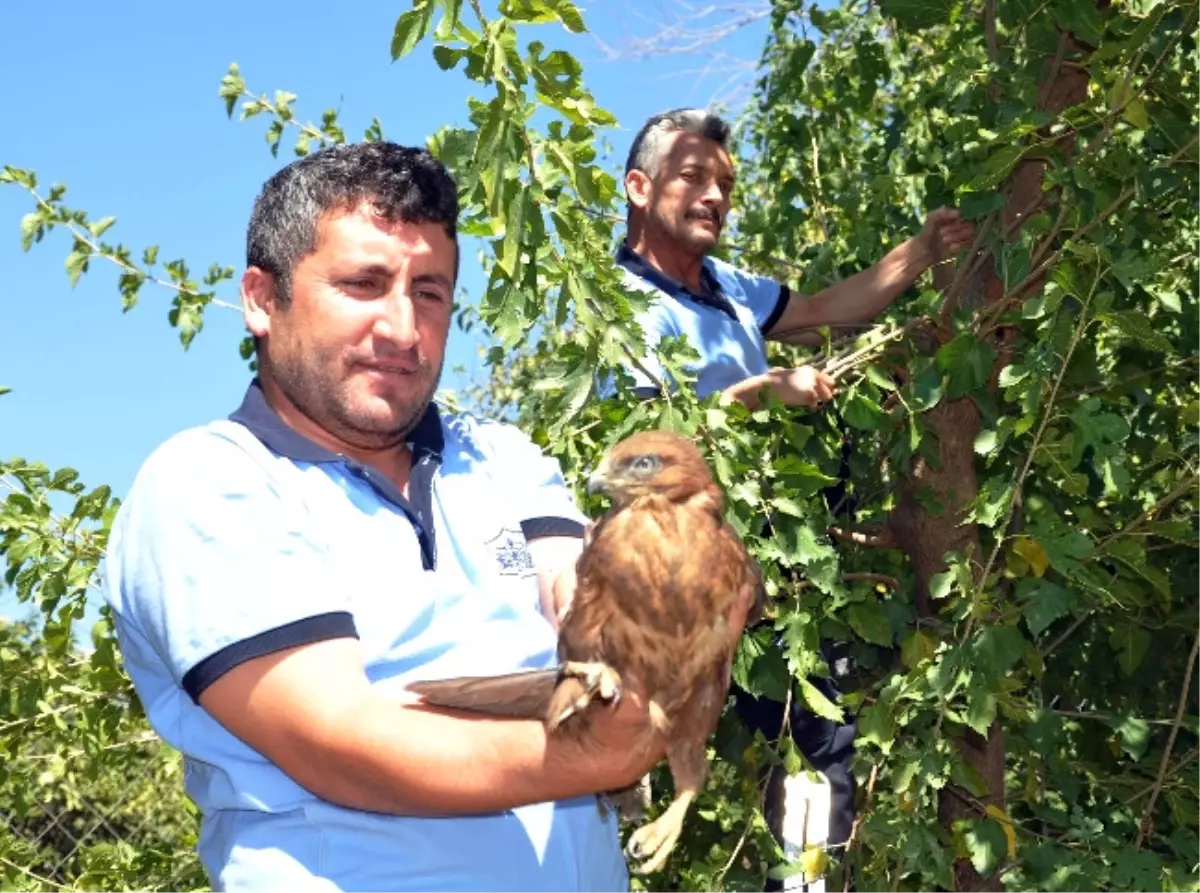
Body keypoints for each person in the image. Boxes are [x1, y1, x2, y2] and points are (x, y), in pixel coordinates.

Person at [101, 141, 754, 892]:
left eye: (430, 292)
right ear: (261, 298)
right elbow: (343, 744)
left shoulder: (501, 457)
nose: (403, 329)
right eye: (363, 284)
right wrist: (598, 755)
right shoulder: (211, 482)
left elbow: (591, 599)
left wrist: (686, 593)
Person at [607, 108, 974, 887]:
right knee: (629, 766)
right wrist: (761, 392)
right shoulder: (617, 308)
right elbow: (638, 453)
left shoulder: (732, 290)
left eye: (725, 185)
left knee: (816, 746)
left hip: (771, 578)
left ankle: (798, 883)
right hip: (679, 585)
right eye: (692, 176)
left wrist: (921, 249)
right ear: (639, 188)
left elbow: (822, 310)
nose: (714, 196)